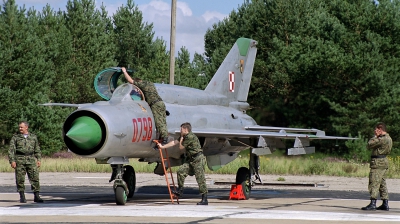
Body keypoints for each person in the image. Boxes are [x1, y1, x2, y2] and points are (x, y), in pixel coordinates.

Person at [157, 122, 208, 205]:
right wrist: (162, 146)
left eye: (181, 129)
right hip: (191, 159)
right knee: (181, 171)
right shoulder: (184, 136)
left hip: (198, 159)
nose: (180, 130)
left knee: (200, 178)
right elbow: (174, 143)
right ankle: (180, 191)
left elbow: (181, 147)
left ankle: (205, 199)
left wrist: (181, 140)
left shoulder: (190, 137)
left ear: (185, 129)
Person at [121, 67, 169, 145]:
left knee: (158, 122)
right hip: (160, 103)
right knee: (163, 121)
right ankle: (162, 139)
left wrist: (124, 72)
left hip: (155, 104)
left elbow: (130, 81)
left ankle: (164, 139)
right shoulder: (150, 83)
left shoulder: (142, 85)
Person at [8, 121, 43, 203]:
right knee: (20, 179)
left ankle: (36, 196)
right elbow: (11, 150)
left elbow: (37, 149)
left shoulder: (33, 137)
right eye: (19, 127)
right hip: (20, 159)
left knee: (35, 178)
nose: (20, 128)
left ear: (26, 127)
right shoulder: (15, 137)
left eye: (21, 127)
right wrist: (12, 161)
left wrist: (38, 159)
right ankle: (22, 196)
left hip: (31, 159)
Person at [361, 122, 392, 211]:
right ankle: (385, 203)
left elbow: (369, 144)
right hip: (383, 162)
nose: (375, 131)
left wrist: (375, 136)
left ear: (380, 129)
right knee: (382, 183)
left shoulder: (381, 139)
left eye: (376, 129)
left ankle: (373, 203)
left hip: (378, 163)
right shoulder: (389, 138)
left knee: (373, 182)